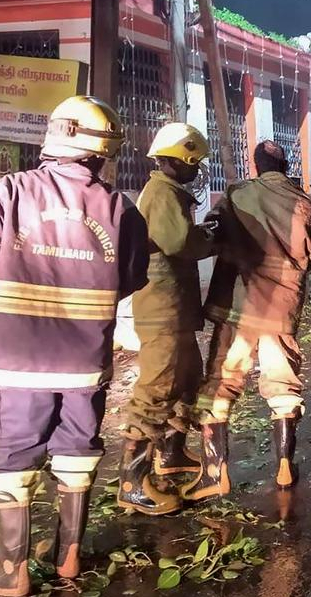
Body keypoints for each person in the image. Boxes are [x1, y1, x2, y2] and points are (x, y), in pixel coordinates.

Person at [0, 96, 148, 597]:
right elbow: (132, 276)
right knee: (77, 450)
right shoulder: (121, 208)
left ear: (54, 139)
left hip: (19, 361)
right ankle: (68, 555)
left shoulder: (9, 192)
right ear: (104, 151)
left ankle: (9, 571)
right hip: (85, 363)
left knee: (14, 454)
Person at [181, 140, 311, 500]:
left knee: (221, 382)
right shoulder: (305, 204)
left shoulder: (237, 196)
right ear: (286, 167)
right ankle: (284, 467)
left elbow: (209, 239)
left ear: (255, 166)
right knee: (283, 384)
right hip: (280, 311)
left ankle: (214, 475)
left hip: (239, 308)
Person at [118, 123, 215, 515]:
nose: (197, 170)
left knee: (188, 380)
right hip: (162, 309)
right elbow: (179, 243)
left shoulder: (168, 191)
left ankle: (171, 455)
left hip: (175, 308)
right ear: (179, 160)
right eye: (194, 163)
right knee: (157, 388)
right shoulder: (162, 193)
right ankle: (131, 483)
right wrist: (212, 238)